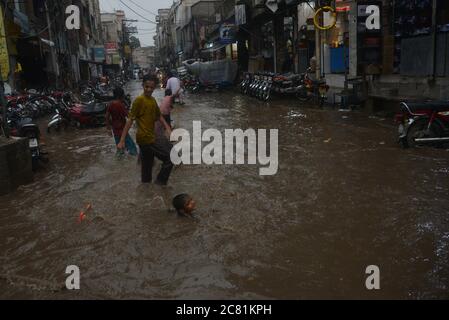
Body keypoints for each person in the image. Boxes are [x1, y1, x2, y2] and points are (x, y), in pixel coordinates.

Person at [117, 75, 173, 185]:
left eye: (151, 87)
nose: (149, 89)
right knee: (170, 158)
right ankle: (160, 184)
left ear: (155, 87)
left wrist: (168, 128)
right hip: (146, 139)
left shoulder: (152, 100)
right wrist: (122, 140)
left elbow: (159, 116)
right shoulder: (139, 100)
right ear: (142, 85)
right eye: (146, 87)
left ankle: (146, 191)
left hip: (148, 139)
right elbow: (130, 120)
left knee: (146, 170)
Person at [105, 87, 138, 156]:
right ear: (121, 96)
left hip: (115, 130)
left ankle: (119, 162)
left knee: (120, 149)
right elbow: (129, 116)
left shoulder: (110, 104)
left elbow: (107, 116)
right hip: (122, 130)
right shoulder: (120, 105)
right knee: (133, 149)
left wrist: (108, 128)